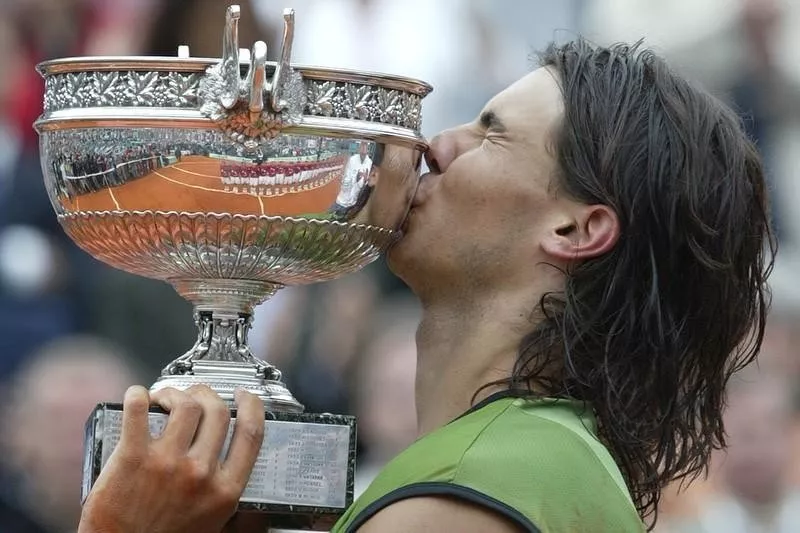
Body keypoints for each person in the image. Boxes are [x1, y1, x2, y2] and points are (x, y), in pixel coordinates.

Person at [74, 39, 775, 533]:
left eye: (491, 133)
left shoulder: (472, 494)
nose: (435, 145)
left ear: (575, 228)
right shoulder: (528, 461)